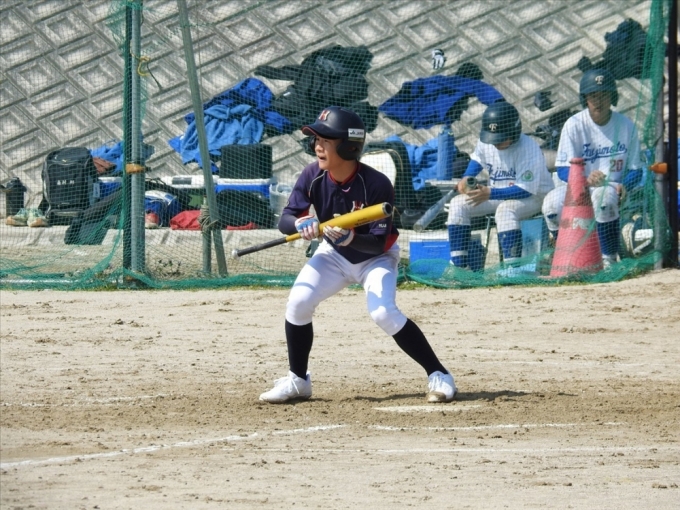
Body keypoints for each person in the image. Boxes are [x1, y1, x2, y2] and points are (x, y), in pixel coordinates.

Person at [259, 106, 456, 404]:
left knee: (383, 312)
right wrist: (300, 223)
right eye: (316, 140)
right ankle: (298, 381)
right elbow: (286, 219)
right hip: (333, 254)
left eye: (326, 140)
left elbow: (377, 243)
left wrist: (351, 237)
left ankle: (439, 373)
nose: (318, 146)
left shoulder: (376, 183)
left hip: (375, 258)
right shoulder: (312, 174)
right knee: (298, 302)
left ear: (348, 147)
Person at [541, 69, 644, 267]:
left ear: (612, 97)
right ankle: (563, 253)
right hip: (578, 187)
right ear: (585, 99)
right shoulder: (574, 124)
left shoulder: (626, 125)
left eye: (604, 95)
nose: (599, 101)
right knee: (551, 205)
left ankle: (608, 261)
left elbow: (636, 169)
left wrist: (625, 185)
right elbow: (562, 169)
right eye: (593, 96)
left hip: (612, 187)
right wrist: (584, 180)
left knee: (603, 198)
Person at [446, 101, 554, 270]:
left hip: (536, 196)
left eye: (500, 138)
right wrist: (467, 177)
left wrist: (490, 193)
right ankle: (459, 268)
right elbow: (478, 159)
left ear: (513, 132)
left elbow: (526, 189)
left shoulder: (528, 148)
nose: (495, 142)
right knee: (457, 204)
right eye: (493, 138)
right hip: (498, 193)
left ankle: (513, 270)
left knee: (505, 210)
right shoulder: (487, 140)